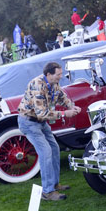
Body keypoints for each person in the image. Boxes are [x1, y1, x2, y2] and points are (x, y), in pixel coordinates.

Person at [16, 62, 80, 201]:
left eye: (61, 74)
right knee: (45, 152)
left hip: (40, 123)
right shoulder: (37, 85)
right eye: (58, 74)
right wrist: (64, 114)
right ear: (49, 74)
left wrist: (72, 107)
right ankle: (47, 192)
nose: (60, 77)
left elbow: (63, 98)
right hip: (29, 122)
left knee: (54, 149)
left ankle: (55, 184)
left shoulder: (54, 84)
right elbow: (42, 113)